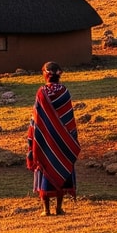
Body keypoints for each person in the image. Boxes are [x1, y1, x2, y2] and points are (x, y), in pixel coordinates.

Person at [25, 61, 79, 215]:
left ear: (45, 74)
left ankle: (46, 210)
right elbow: (69, 118)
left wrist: (32, 137)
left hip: (45, 140)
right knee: (62, 167)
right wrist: (71, 138)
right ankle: (59, 208)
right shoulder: (64, 92)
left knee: (45, 169)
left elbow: (36, 117)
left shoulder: (42, 92)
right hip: (63, 140)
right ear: (59, 75)